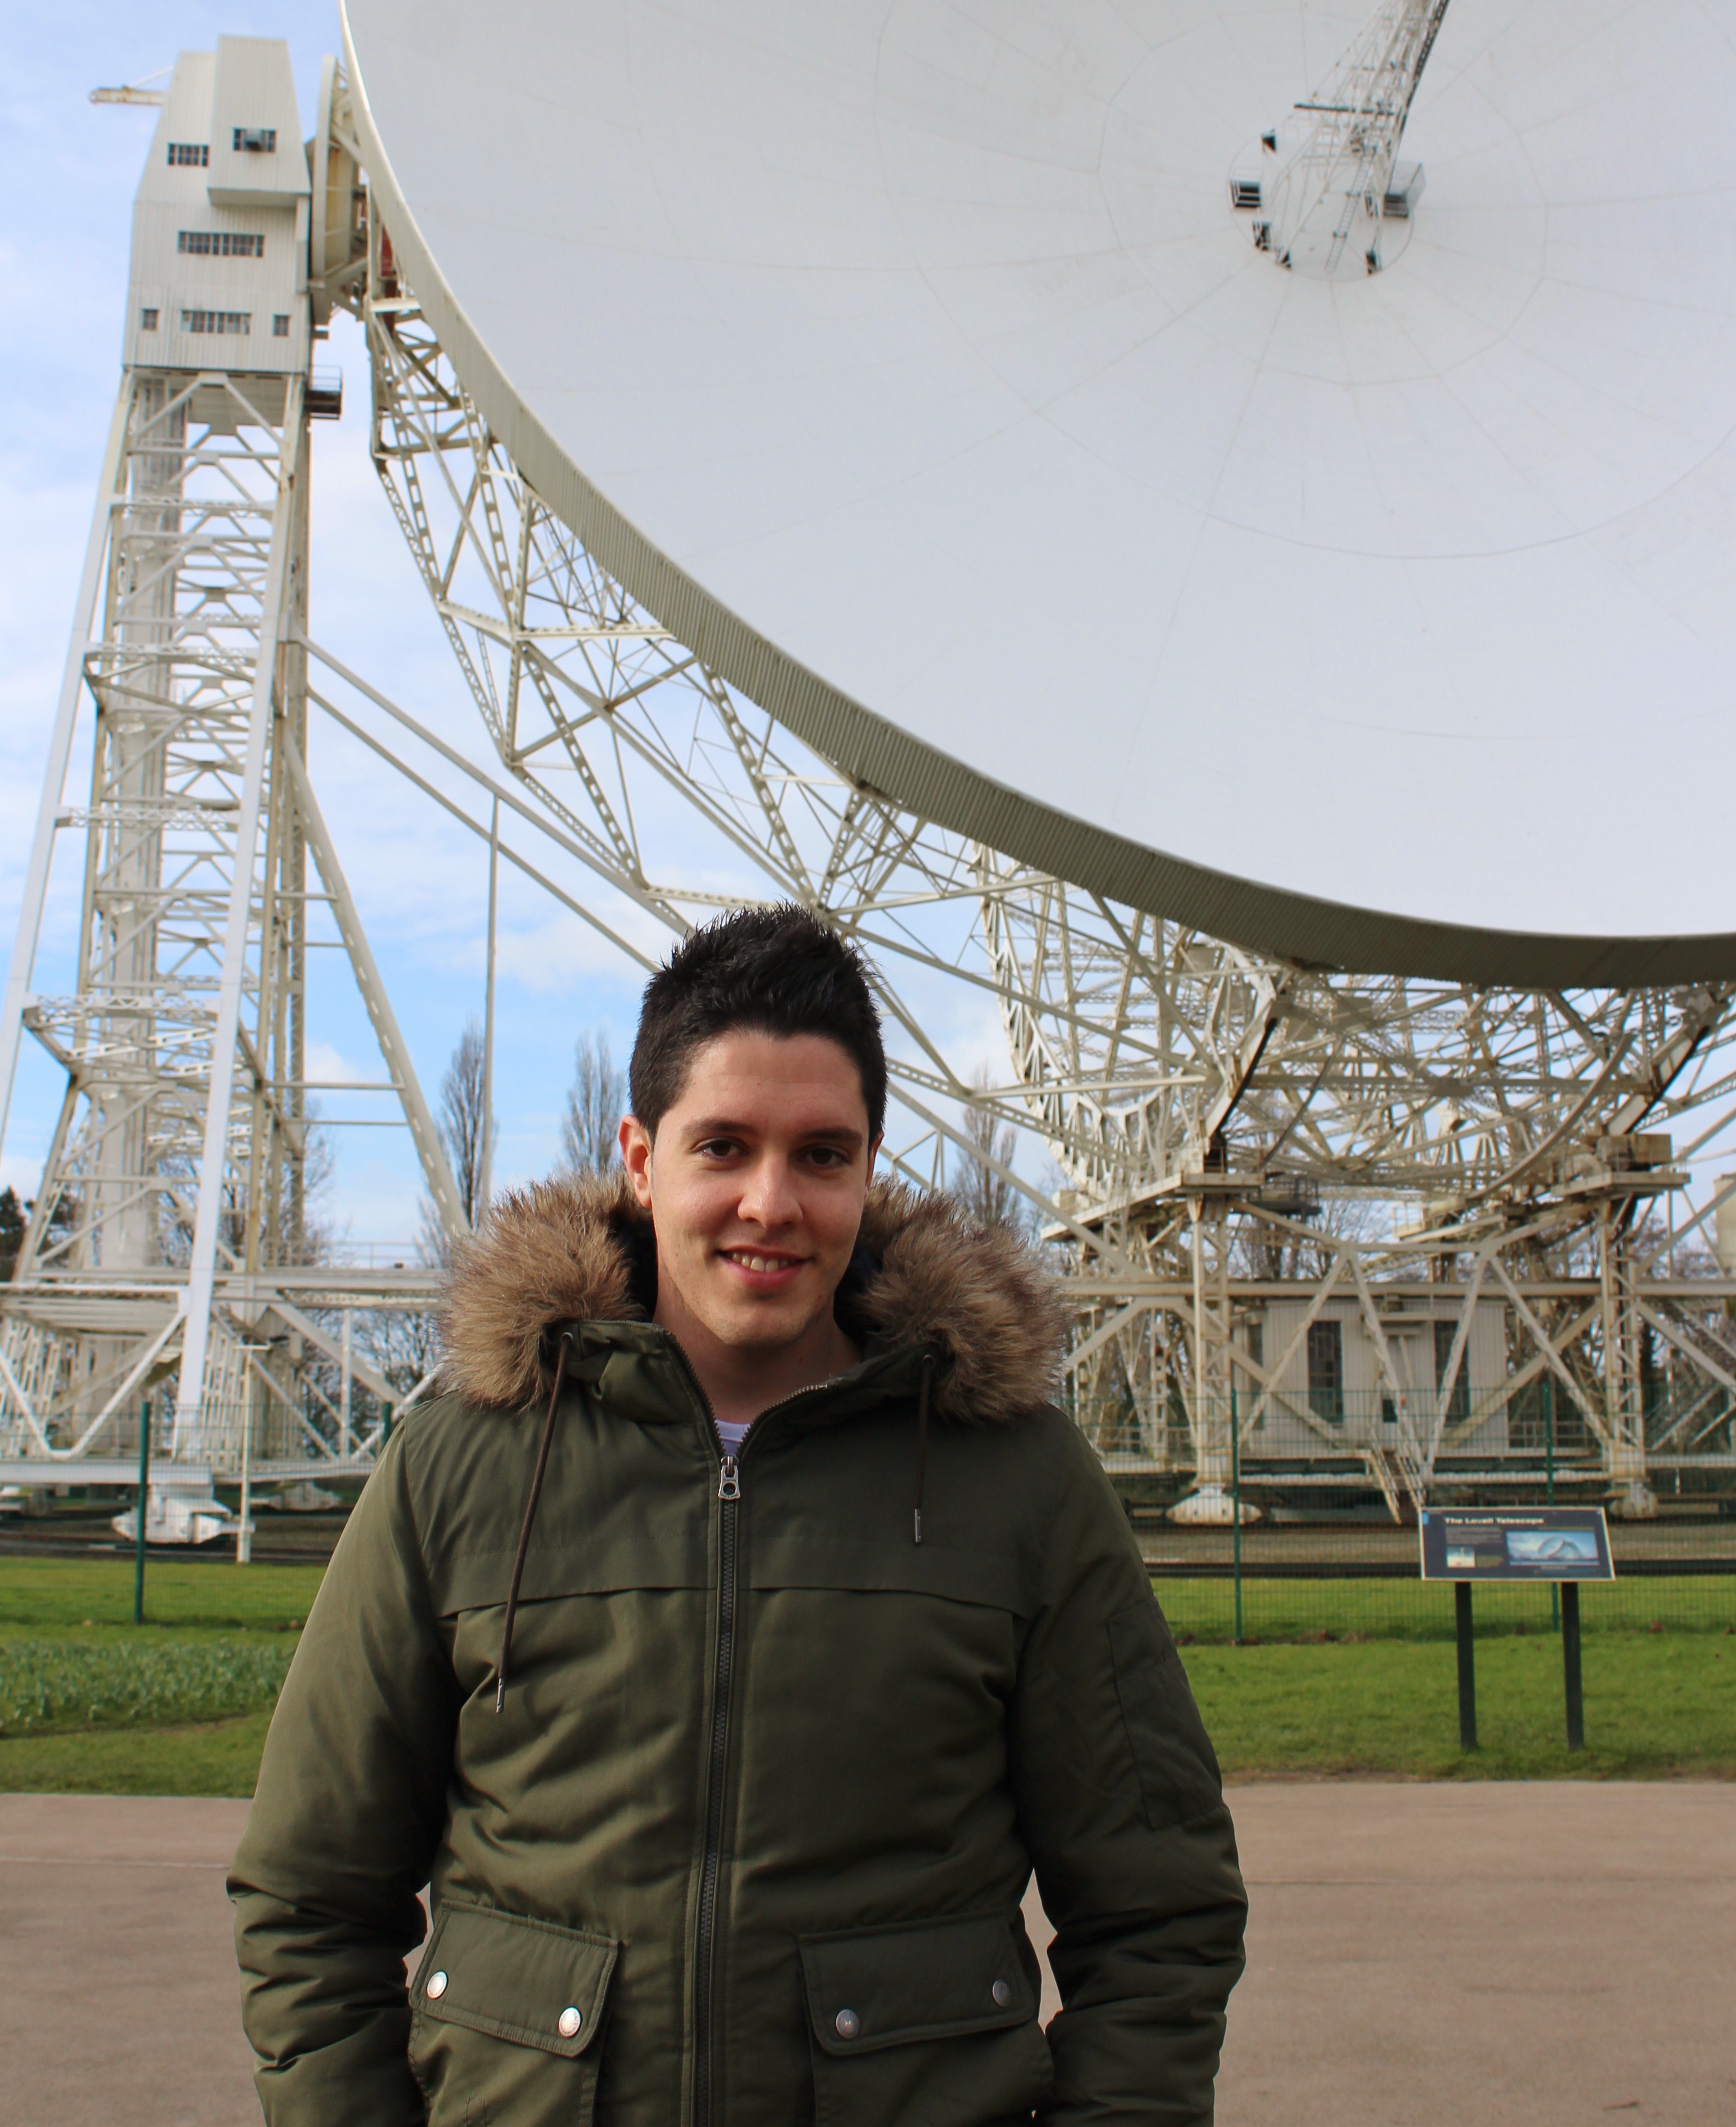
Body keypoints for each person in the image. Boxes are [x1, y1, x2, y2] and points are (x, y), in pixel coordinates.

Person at [230, 905, 1245, 2123]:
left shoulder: (1013, 1478)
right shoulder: (464, 1463)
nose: (771, 1202)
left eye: (821, 1153)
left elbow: (1158, 1908)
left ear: (870, 1168)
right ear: (638, 1156)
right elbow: (310, 1897)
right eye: (722, 1145)